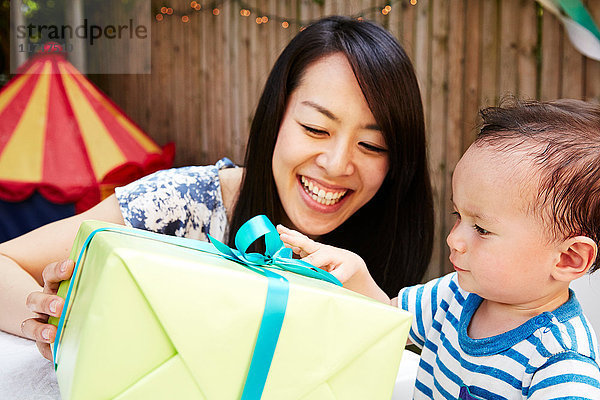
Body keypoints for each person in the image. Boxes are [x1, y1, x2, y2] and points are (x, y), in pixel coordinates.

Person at [0, 16, 434, 360]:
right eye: (315, 128)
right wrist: (48, 318)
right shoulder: (181, 203)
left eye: (371, 145)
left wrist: (382, 313)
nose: (337, 165)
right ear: (275, 119)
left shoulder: (388, 231)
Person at [278, 99, 600, 398]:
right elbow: (391, 323)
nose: (454, 239)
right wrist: (355, 271)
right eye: (458, 216)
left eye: (482, 229)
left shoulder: (562, 365)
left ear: (569, 258)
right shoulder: (454, 294)